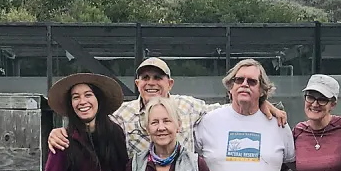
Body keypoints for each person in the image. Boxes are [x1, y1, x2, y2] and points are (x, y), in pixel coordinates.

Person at [48, 56, 288, 156]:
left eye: (158, 78)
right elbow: (92, 128)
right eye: (146, 78)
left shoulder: (189, 107)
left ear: (170, 83)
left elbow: (233, 109)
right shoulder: (122, 113)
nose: (151, 83)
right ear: (137, 83)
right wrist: (61, 131)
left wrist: (263, 102)